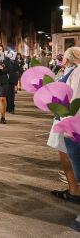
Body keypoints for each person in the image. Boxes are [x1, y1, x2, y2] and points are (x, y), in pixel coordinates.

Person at [49, 47, 80, 205]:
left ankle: (74, 190)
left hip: (65, 118)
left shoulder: (72, 72)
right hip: (67, 117)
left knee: (65, 154)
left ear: (68, 59)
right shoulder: (71, 71)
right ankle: (74, 189)